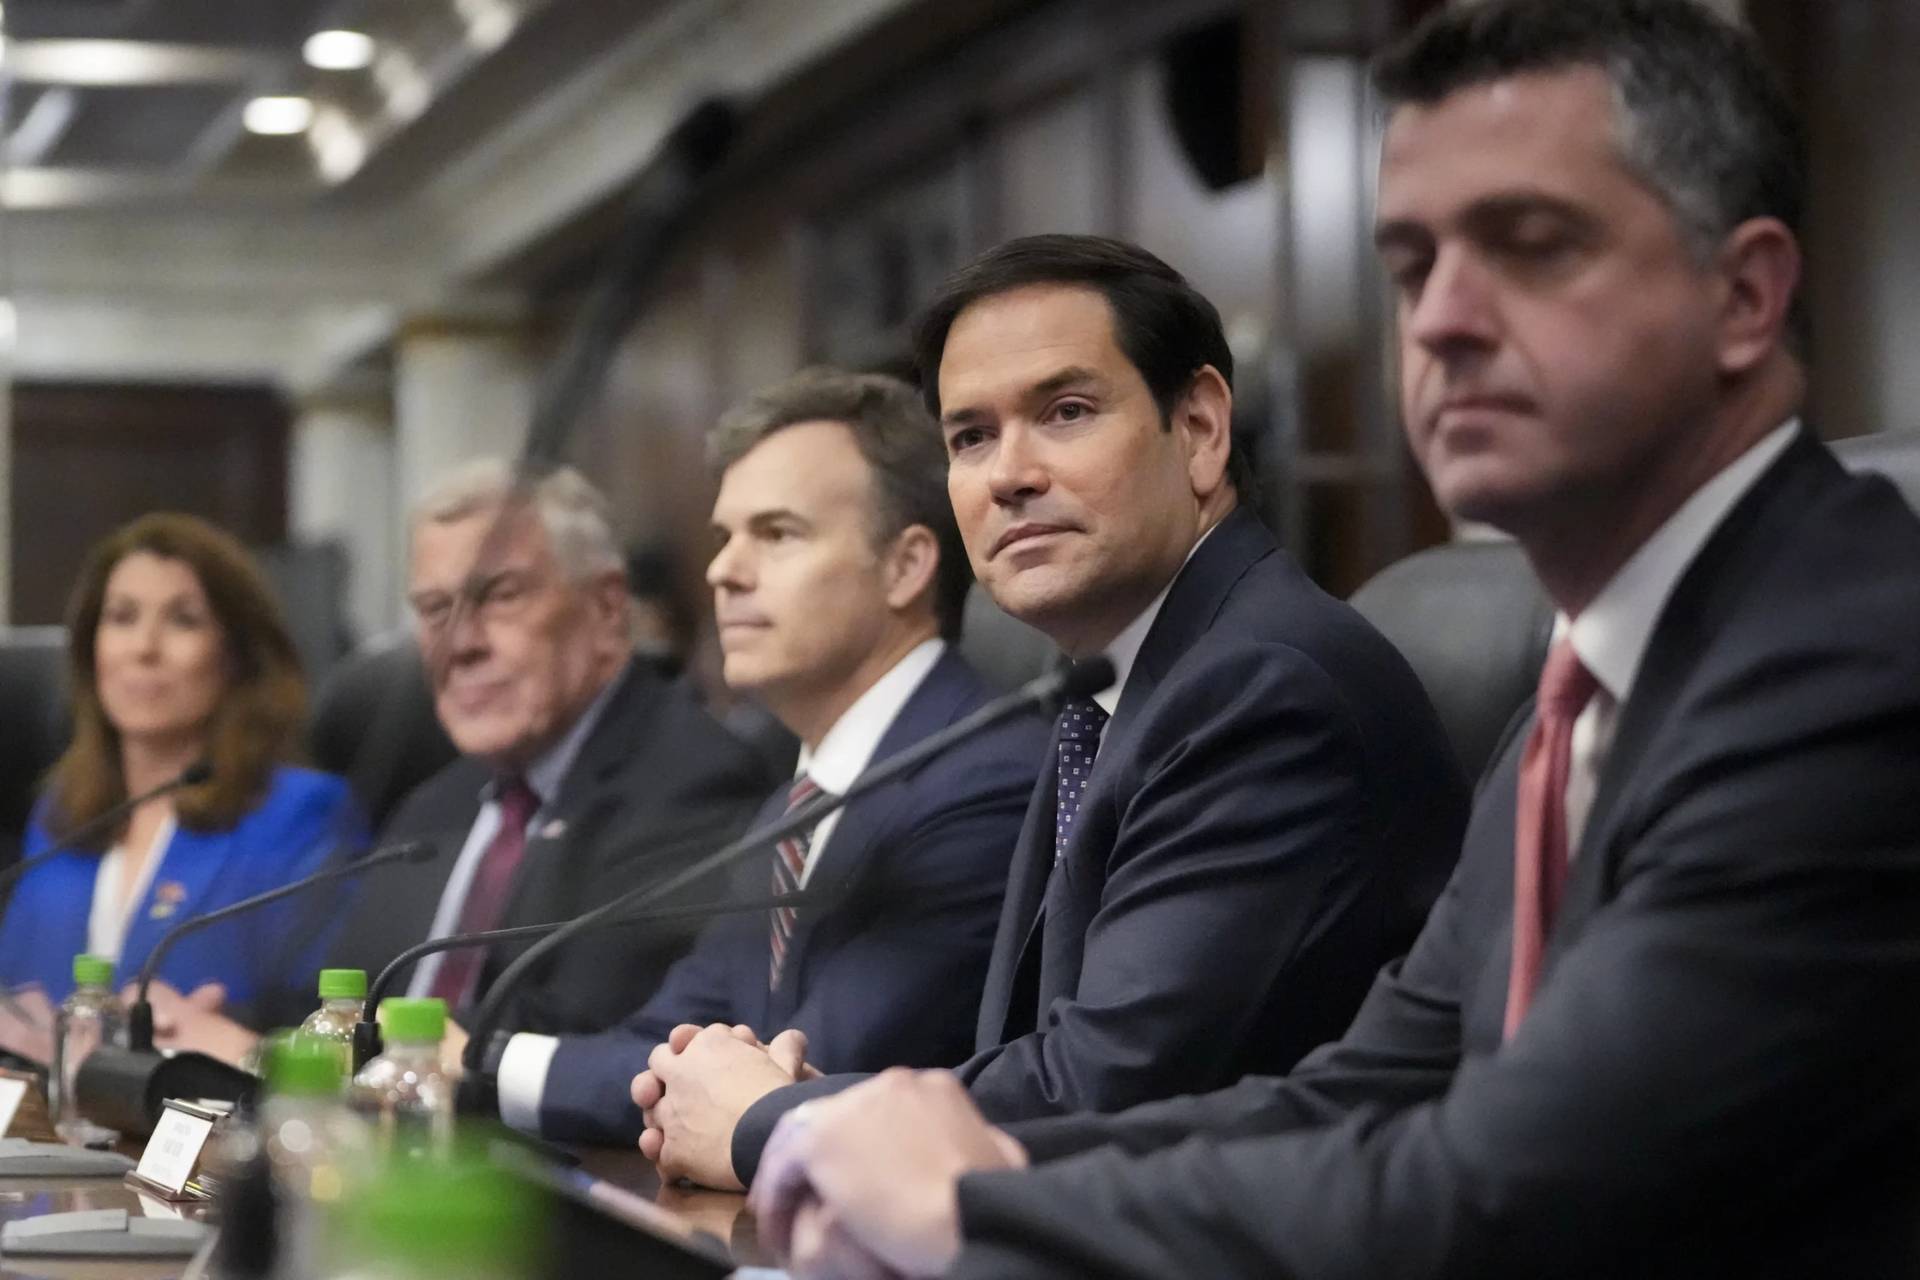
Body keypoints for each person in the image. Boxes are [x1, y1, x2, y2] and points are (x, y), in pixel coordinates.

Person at [745, 3, 1920, 1277]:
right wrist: (972, 1165)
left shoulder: (1852, 660)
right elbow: (1359, 1089)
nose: (1443, 321)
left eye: (1531, 247)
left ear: (1745, 296)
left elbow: (1497, 1186)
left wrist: (972, 1204)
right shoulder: (1572, 698)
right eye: (1413, 267)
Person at [637, 234, 1469, 1190]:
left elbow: (1109, 1085)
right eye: (971, 437)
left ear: (1199, 429)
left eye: (1065, 413)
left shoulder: (1260, 687)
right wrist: (832, 1113)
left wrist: (773, 1125)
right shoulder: (1108, 685)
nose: (1008, 475)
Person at [482, 369, 1047, 1144]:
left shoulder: (985, 781)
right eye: (724, 537)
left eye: (776, 533)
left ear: (907, 566)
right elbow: (667, 1038)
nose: (723, 570)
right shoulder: (793, 804)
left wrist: (473, 1064)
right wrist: (477, 1060)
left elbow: (800, 1078)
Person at [331, 460, 769, 1057]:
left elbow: (584, 1035)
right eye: (435, 611)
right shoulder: (430, 810)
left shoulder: (694, 783)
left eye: (501, 596)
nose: (461, 644)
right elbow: (336, 1012)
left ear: (607, 609)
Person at [0, 513, 366, 1062]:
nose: (144, 647)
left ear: (236, 655)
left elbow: (329, 1034)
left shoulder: (299, 813)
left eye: (183, 620)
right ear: (89, 650)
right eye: (121, 618)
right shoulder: (60, 816)